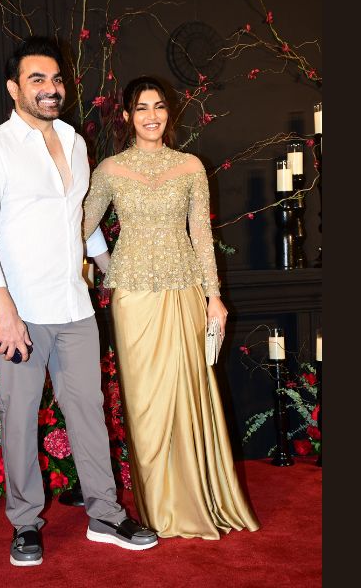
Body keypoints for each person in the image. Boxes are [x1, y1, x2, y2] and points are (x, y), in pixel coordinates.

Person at [0, 37, 157, 567]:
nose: (50, 89)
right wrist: (4, 313)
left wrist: (114, 272)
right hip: (17, 313)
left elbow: (79, 223)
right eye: (37, 80)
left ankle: (105, 514)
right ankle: (25, 523)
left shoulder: (73, 140)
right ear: (13, 88)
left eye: (56, 79)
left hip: (74, 307)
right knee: (19, 418)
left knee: (89, 412)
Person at [82, 76, 261, 540]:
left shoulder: (190, 166)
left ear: (169, 113)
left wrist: (214, 296)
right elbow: (79, 226)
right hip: (132, 297)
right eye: (142, 108)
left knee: (187, 396)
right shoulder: (110, 170)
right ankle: (157, 509)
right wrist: (105, 266)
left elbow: (201, 234)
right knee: (144, 404)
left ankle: (194, 500)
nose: (152, 116)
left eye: (159, 106)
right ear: (127, 116)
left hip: (184, 291)